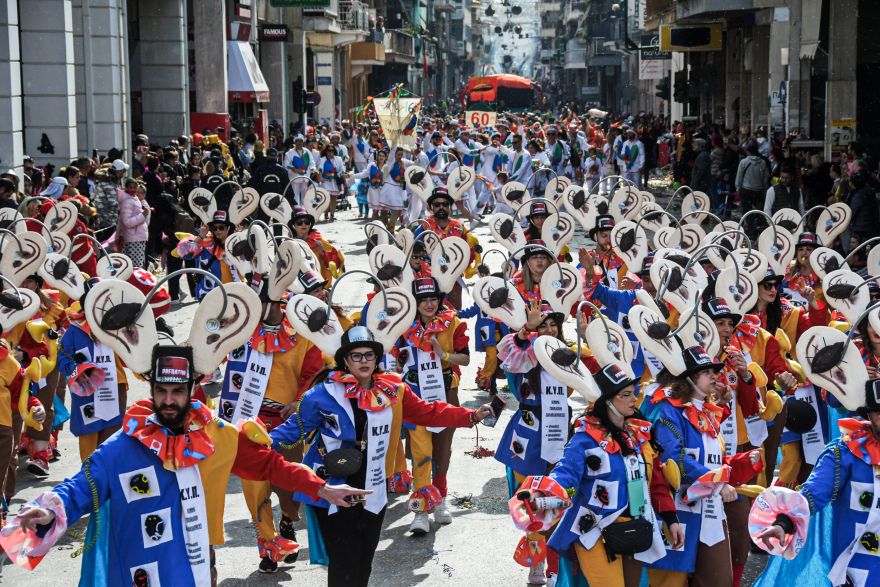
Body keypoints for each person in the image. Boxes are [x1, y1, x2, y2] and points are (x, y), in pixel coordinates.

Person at [6, 344, 369, 587]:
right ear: (151, 391)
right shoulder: (124, 444)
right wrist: (48, 509)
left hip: (194, 565)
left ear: (192, 390)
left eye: (177, 391)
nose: (168, 400)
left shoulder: (218, 436)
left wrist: (323, 489)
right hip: (137, 567)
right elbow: (81, 486)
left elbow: (272, 466)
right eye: (161, 391)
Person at [269, 327, 494, 587]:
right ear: (345, 360)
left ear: (376, 358)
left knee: (364, 561)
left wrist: (471, 415)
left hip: (373, 486)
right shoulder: (321, 395)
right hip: (333, 486)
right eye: (356, 356)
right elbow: (291, 432)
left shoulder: (393, 389)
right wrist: (252, 443)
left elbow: (428, 412)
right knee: (344, 561)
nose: (364, 361)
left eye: (369, 355)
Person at [397, 277, 470, 534]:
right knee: (421, 453)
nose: (429, 304)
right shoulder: (403, 325)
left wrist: (444, 355)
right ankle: (420, 509)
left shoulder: (454, 323)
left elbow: (466, 359)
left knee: (442, 451)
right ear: (414, 303)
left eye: (433, 299)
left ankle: (439, 500)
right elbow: (394, 357)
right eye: (423, 300)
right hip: (414, 394)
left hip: (446, 391)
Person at [735, 144, 769, 238]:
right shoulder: (763, 162)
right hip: (758, 190)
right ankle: (765, 228)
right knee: (761, 211)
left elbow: (739, 177)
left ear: (748, 152)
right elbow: (764, 179)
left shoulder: (743, 162)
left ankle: (751, 232)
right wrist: (764, 190)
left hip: (746, 190)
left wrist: (738, 189)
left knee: (747, 212)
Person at [117, 179, 151, 268]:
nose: (133, 190)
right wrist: (142, 216)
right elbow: (127, 222)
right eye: (130, 187)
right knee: (135, 267)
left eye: (134, 187)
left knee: (136, 266)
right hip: (133, 238)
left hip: (137, 237)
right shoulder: (127, 201)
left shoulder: (134, 200)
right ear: (126, 188)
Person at [93, 160, 127, 240]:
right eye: (123, 171)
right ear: (120, 170)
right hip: (107, 220)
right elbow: (112, 203)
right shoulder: (109, 183)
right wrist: (126, 207)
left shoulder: (105, 180)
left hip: (102, 218)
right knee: (108, 243)